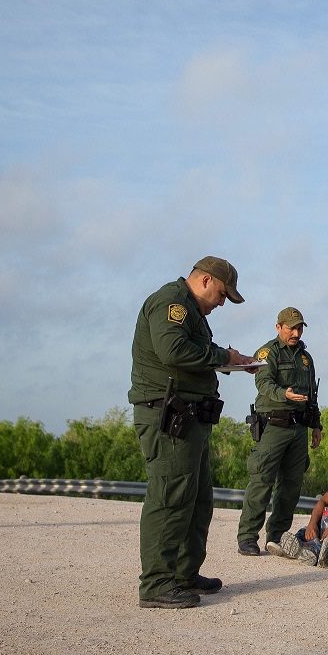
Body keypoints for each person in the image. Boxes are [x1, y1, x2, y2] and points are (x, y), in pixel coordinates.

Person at [129, 256, 254, 609]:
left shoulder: (192, 312)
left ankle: (184, 573)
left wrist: (232, 360)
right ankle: (157, 583)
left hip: (190, 420)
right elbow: (173, 351)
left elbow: (194, 355)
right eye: (222, 294)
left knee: (197, 499)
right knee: (170, 497)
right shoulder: (171, 303)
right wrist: (223, 356)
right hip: (169, 418)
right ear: (205, 281)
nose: (222, 302)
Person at [236, 307, 323, 557]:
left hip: (299, 427)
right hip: (274, 425)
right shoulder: (268, 352)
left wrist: (316, 425)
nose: (296, 333)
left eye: (299, 328)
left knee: (291, 486)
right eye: (291, 328)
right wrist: (283, 394)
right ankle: (248, 537)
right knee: (261, 480)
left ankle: (277, 536)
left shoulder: (306, 358)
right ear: (279, 327)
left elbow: (312, 395)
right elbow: (263, 383)